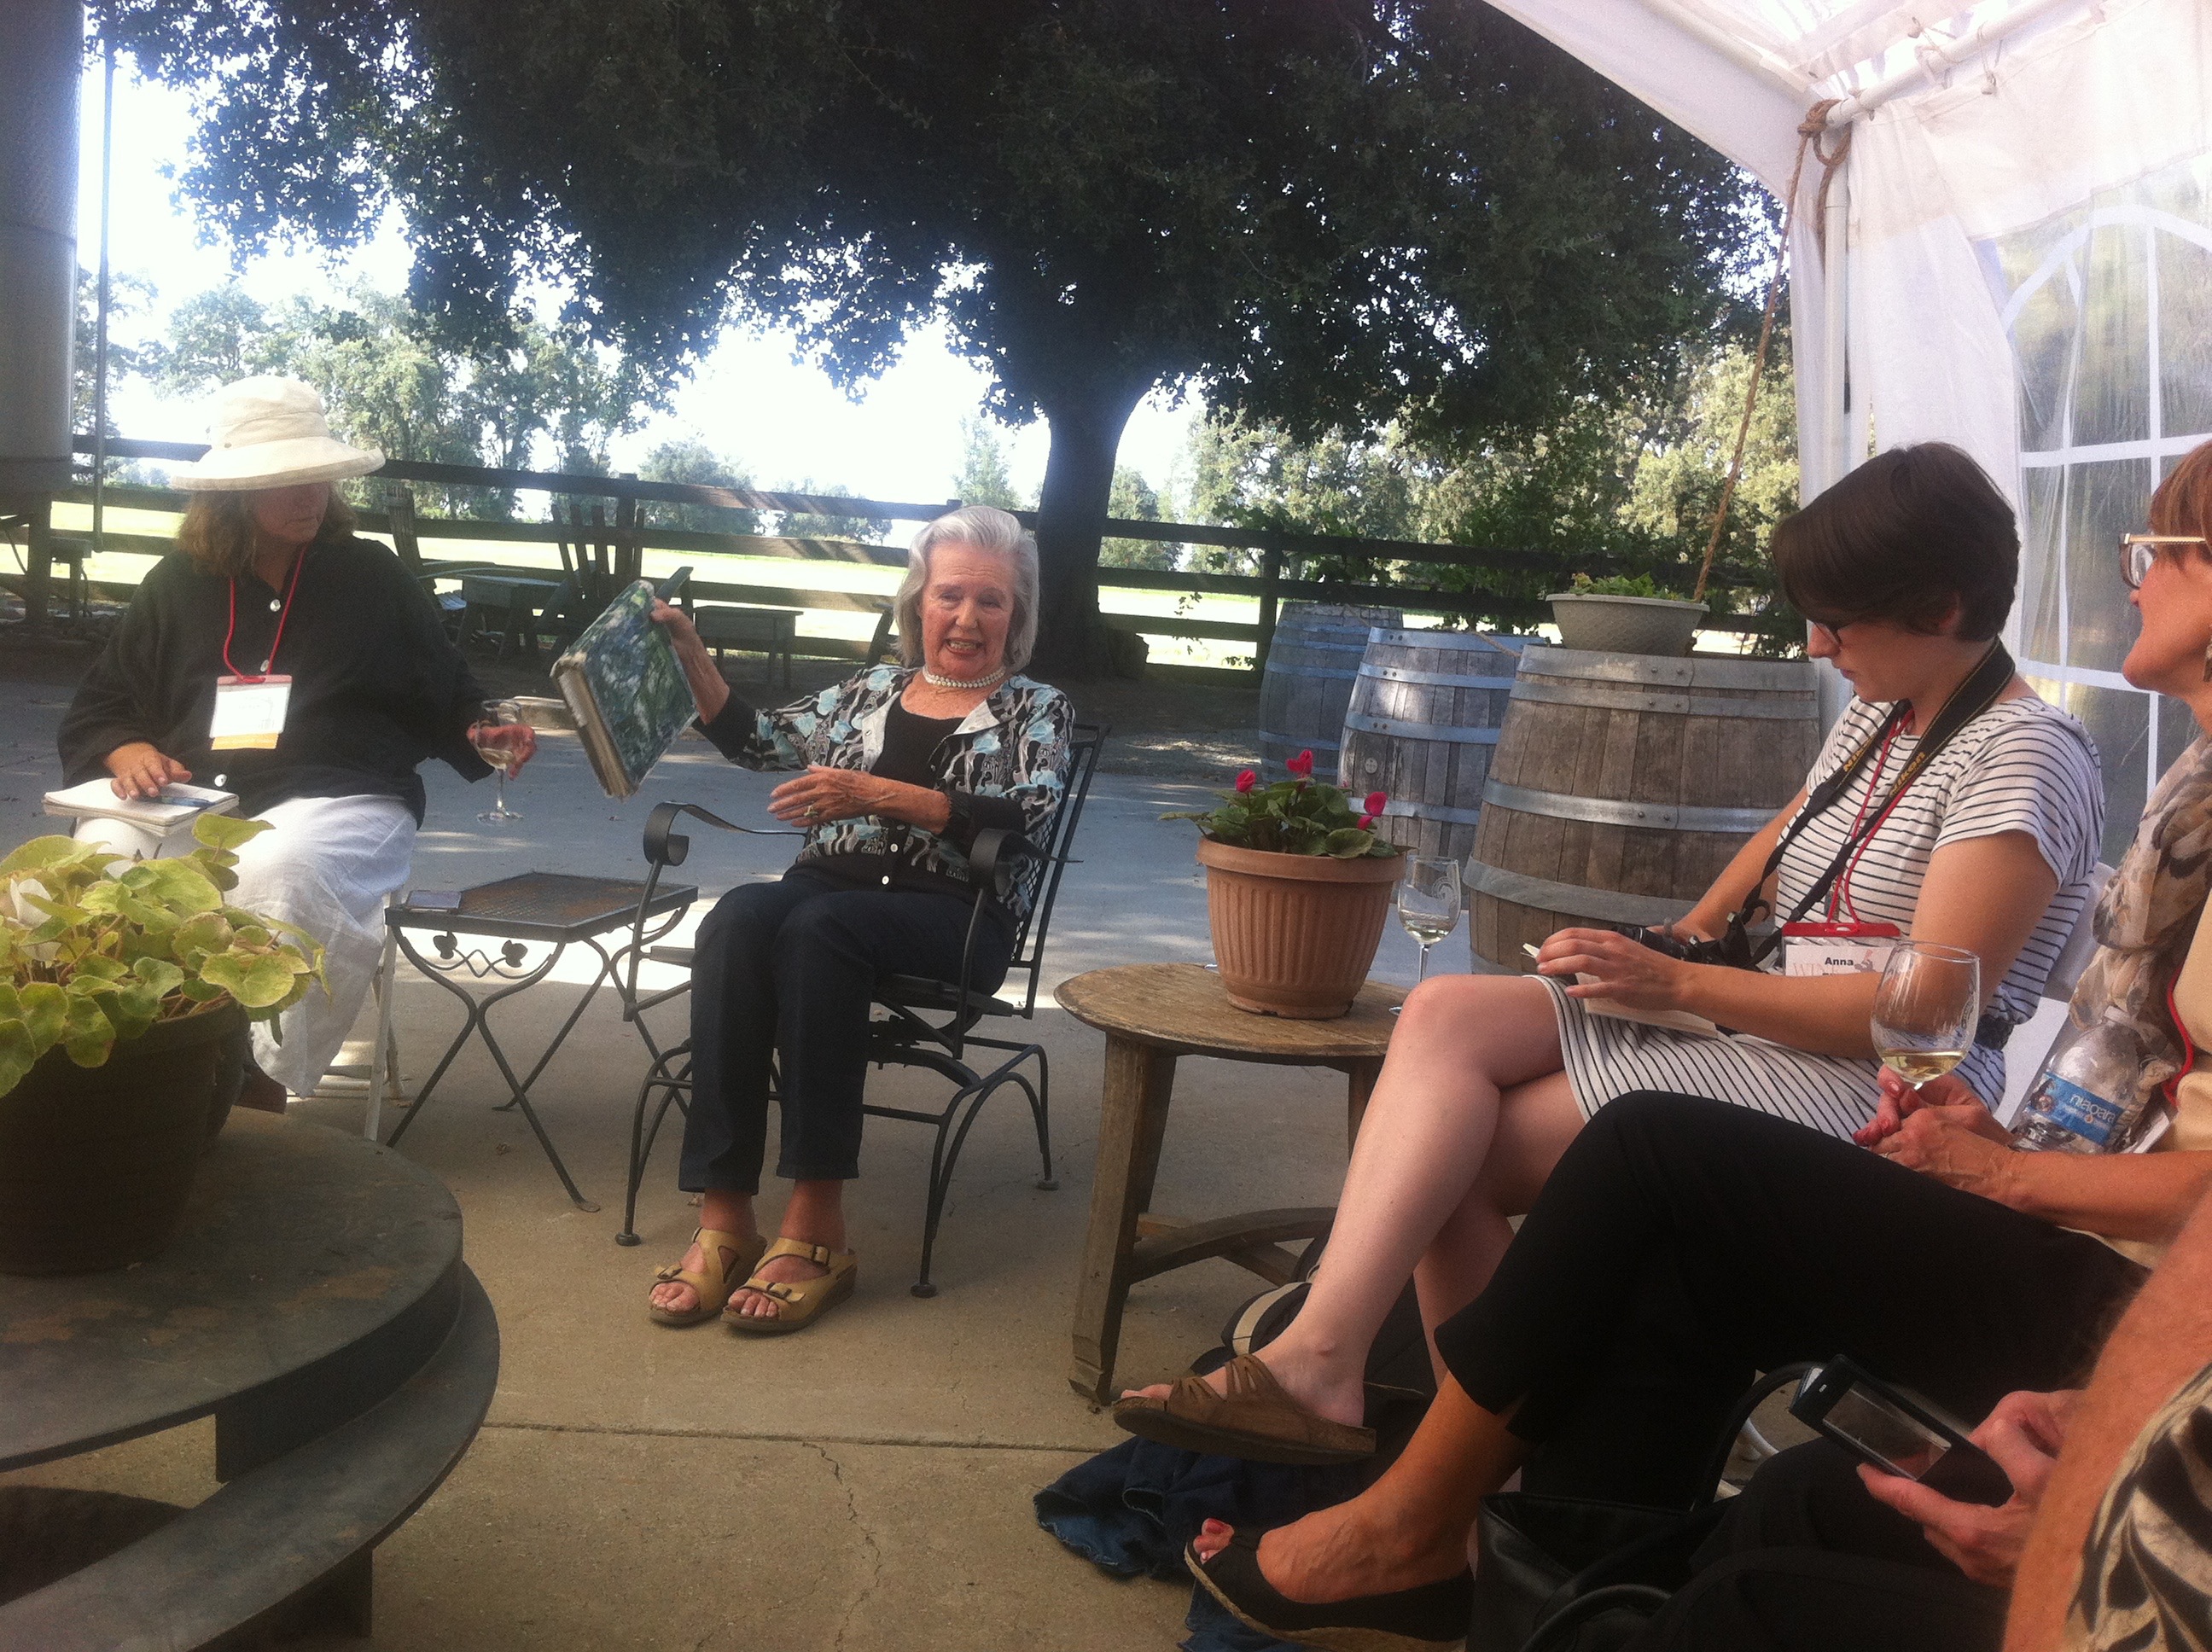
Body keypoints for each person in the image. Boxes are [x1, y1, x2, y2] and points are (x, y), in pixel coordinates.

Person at [1175, 442, 2212, 1652]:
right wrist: (1687, 936)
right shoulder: (1888, 714)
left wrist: (1680, 981)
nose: (1817, 645)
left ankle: (1461, 1496)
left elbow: (1919, 1010)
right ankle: (1359, 1384)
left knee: (1506, 1150)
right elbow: (1788, 836)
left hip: (1875, 1084)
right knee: (1444, 1021)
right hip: (1810, 1047)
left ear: (1939, 608)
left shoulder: (2026, 751)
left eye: (1837, 619)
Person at [642, 504, 1074, 1335]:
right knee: (738, 917)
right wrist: (691, 653)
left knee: (821, 932)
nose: (967, 616)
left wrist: (878, 794)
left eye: (990, 600)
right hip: (831, 884)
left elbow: (1027, 816)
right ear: (920, 602)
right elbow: (757, 740)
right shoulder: (868, 689)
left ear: (1015, 613)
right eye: (950, 595)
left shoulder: (1036, 708)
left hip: (955, 911)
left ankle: (817, 1225)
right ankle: (725, 1217)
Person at [56, 375, 529, 1111]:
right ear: (234, 492)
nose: (311, 494)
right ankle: (117, 1061)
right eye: (288, 478)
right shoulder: (176, 583)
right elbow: (104, 705)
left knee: (279, 868)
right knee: (96, 858)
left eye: (319, 475)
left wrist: (481, 731)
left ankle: (255, 1082)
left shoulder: (373, 576)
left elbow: (449, 692)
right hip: (191, 796)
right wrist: (128, 752)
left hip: (340, 793)